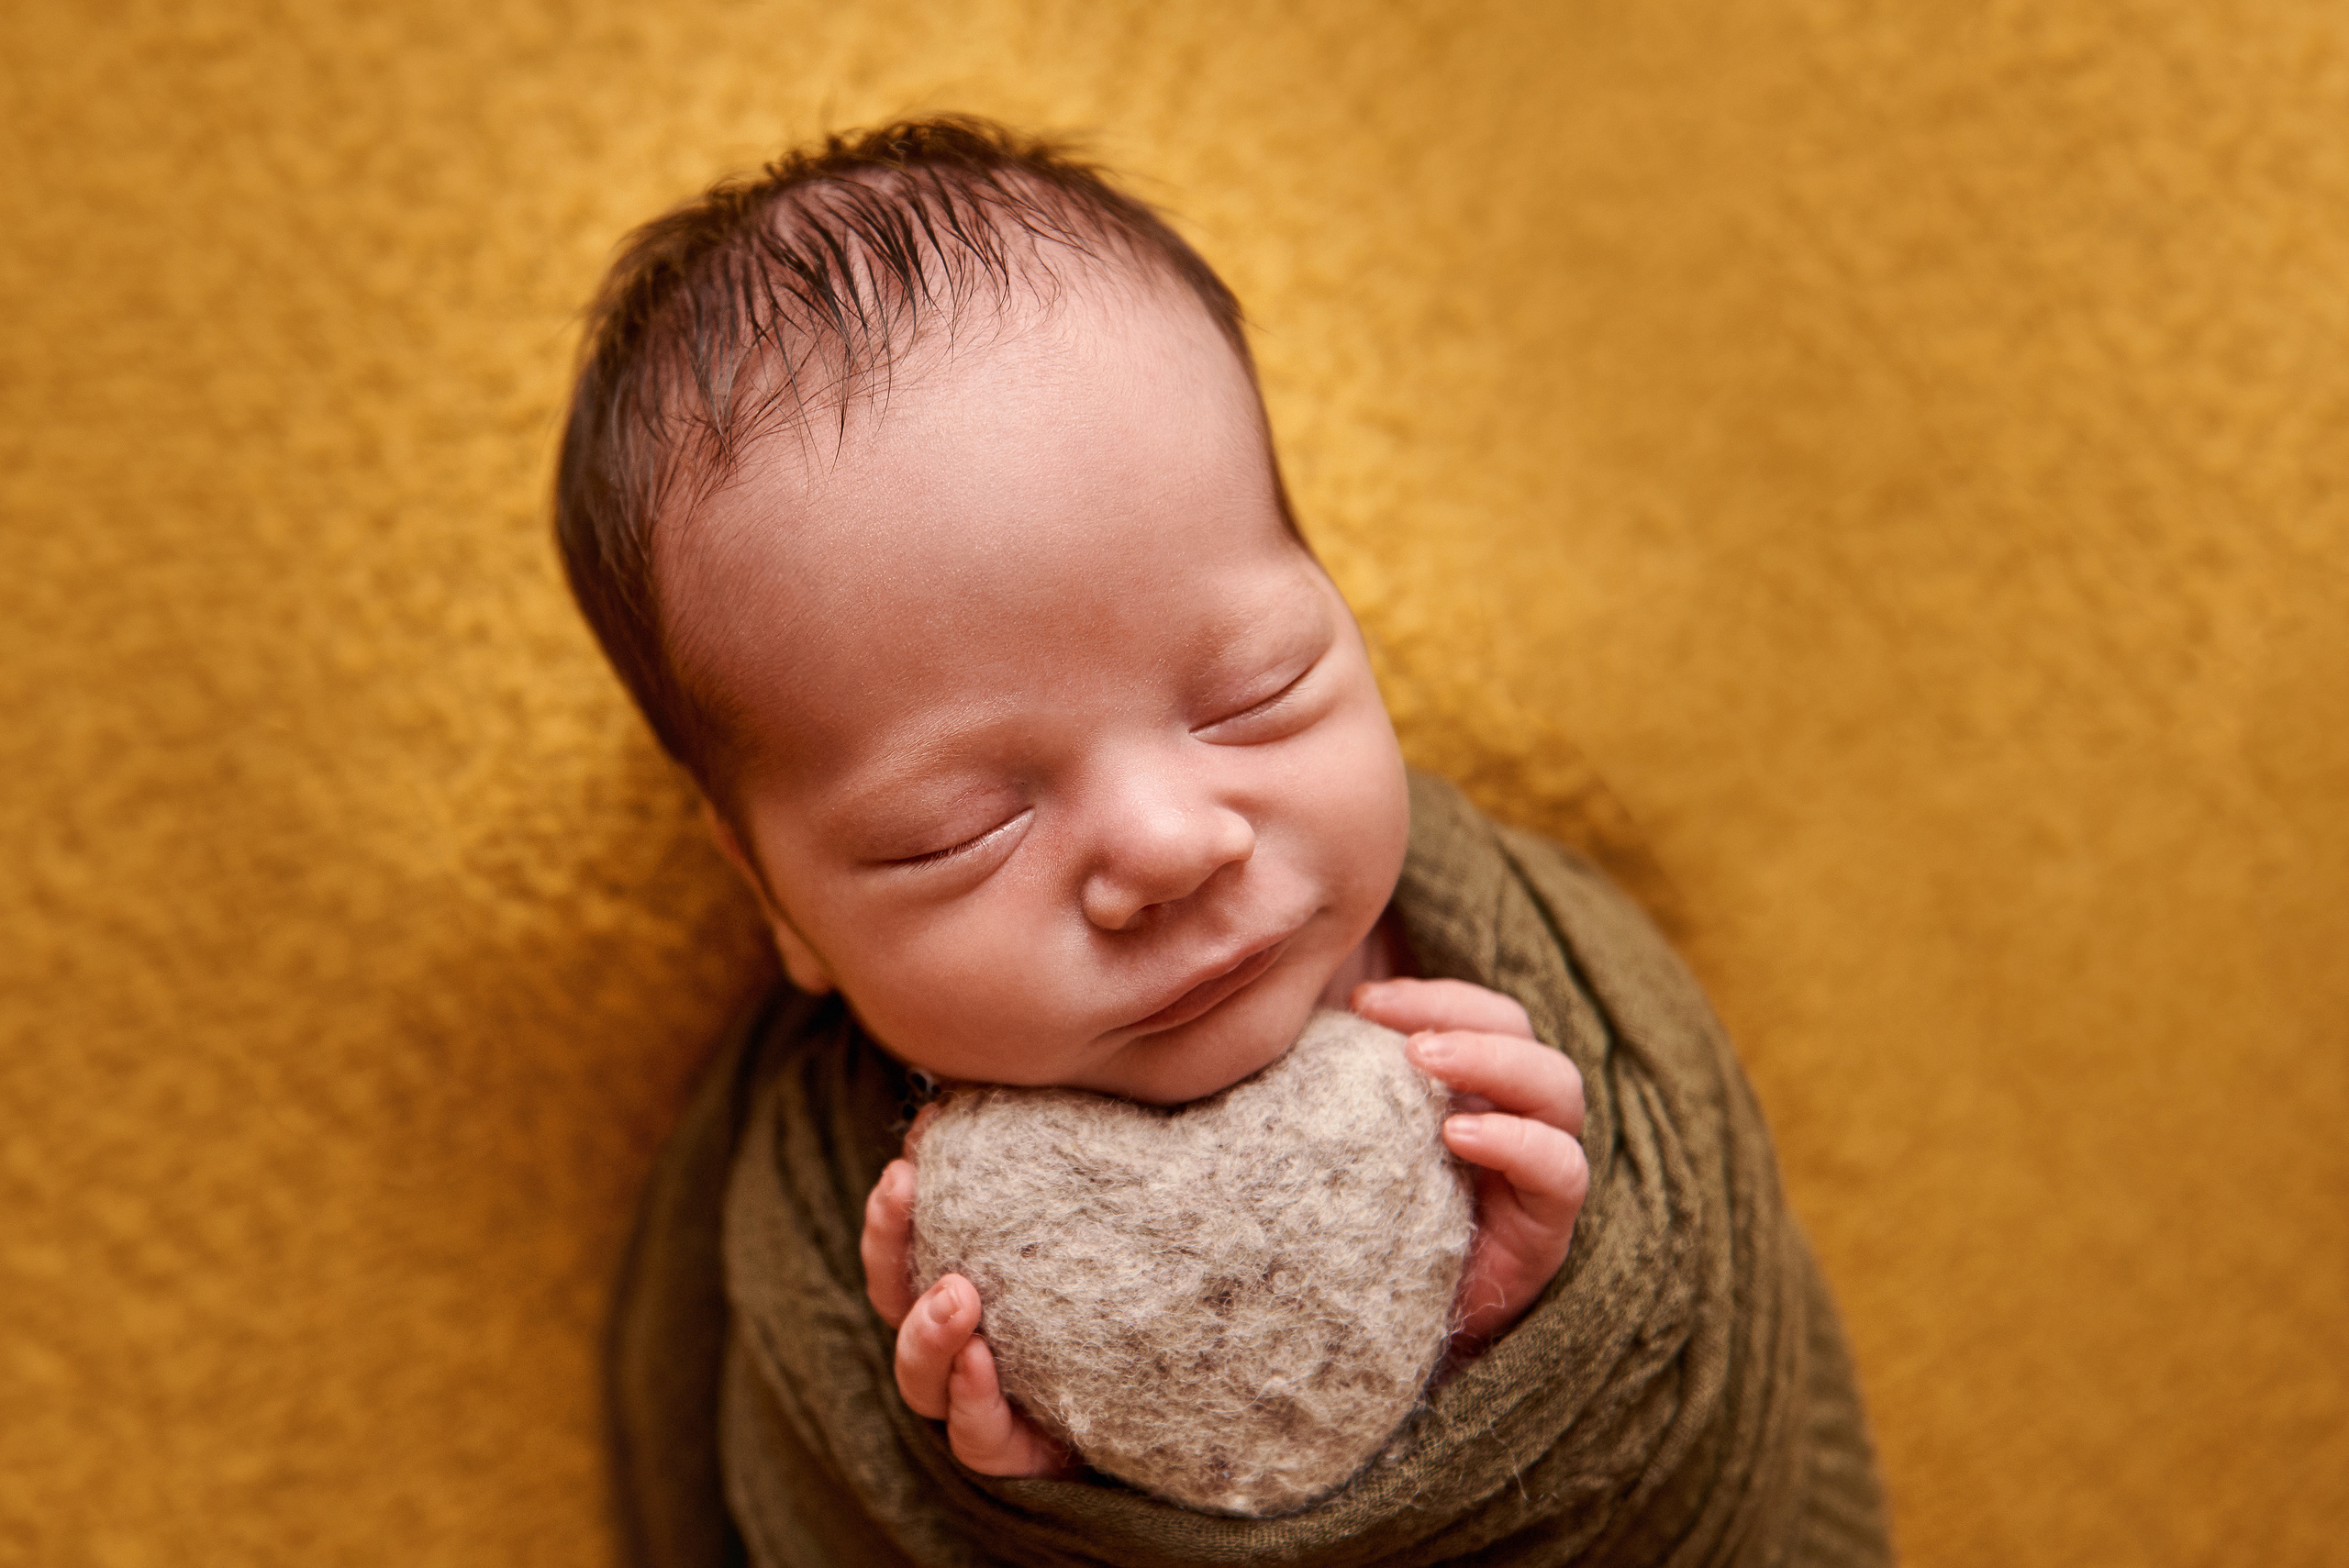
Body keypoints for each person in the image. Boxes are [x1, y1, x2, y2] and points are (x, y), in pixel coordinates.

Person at [561, 117, 1888, 1568]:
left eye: (1252, 691)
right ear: (782, 903)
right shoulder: (842, 1232)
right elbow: (825, 1511)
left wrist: (1510, 1324)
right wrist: (1041, 1496)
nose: (1169, 843)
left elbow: (1683, 1360)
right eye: (966, 825)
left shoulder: (1539, 1005)